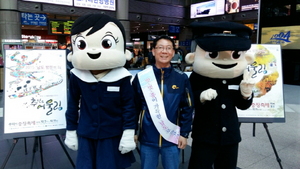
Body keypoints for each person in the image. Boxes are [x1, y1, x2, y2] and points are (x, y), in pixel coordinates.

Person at [64, 14, 136, 169]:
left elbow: (129, 107)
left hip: (112, 134)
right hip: (87, 132)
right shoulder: (77, 76)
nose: (94, 51)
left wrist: (128, 133)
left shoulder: (122, 77)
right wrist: (71, 129)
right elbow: (72, 104)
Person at [185, 21, 255, 169]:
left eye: (235, 54)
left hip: (230, 136)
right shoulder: (197, 77)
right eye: (214, 53)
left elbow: (242, 106)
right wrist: (200, 96)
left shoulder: (239, 76)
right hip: (205, 136)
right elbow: (187, 100)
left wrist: (246, 94)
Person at [132, 35, 194, 169]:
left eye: (168, 48)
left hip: (172, 138)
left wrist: (184, 134)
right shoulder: (142, 78)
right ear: (153, 51)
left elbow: (187, 107)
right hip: (147, 138)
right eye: (160, 48)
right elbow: (134, 107)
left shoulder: (181, 78)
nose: (164, 51)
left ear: (173, 52)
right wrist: (133, 131)